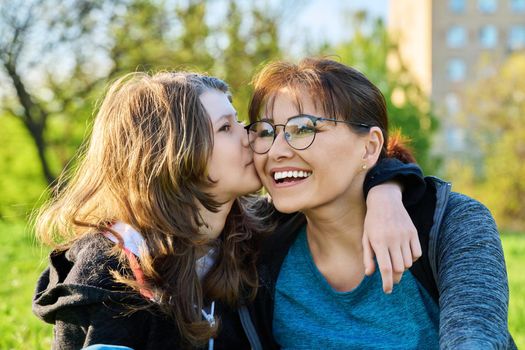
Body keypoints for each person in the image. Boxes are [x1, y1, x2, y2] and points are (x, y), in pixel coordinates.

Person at [32, 71, 424, 349]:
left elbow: (360, 159)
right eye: (226, 128)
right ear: (174, 155)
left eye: (241, 122)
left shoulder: (248, 234)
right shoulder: (116, 264)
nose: (252, 136)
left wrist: (385, 192)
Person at [246, 58, 516, 349]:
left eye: (304, 129)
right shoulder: (252, 239)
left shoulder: (454, 223)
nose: (276, 151)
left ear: (370, 147)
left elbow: (475, 338)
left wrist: (389, 187)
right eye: (266, 132)